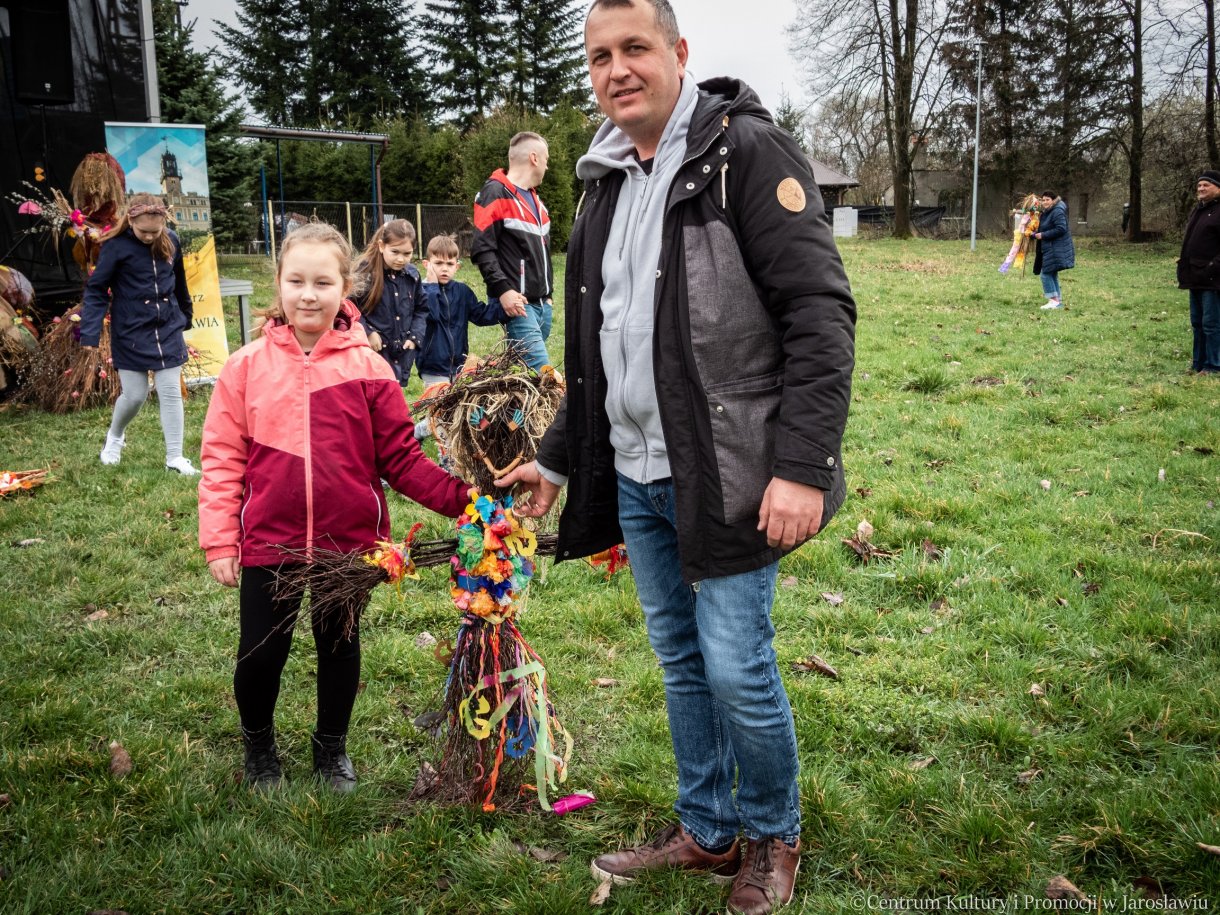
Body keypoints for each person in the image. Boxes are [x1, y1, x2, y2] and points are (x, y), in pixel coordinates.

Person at [495, 2, 856, 912]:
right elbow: (596, 346)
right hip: (634, 468)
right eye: (600, 55)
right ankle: (706, 828)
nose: (617, 69)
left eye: (635, 49)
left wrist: (803, 465)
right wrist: (558, 458)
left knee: (737, 661)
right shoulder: (603, 180)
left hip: (733, 470)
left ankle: (772, 834)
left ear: (679, 54)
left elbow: (820, 314)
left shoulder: (744, 154)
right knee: (681, 657)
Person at [199, 224, 470, 793]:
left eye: (323, 282)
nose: (308, 294)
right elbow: (222, 457)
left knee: (339, 648)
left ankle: (331, 751)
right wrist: (221, 539)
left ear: (344, 287)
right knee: (260, 654)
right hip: (269, 543)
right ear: (278, 283)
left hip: (348, 547)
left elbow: (402, 460)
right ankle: (259, 748)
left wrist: (465, 500)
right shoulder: (245, 368)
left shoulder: (370, 369)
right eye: (296, 280)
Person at [80, 193, 198, 474]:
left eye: (154, 231)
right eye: (143, 231)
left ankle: (174, 458)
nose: (149, 236)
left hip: (167, 325)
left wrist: (185, 316)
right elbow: (97, 289)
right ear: (130, 220)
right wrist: (89, 332)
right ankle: (115, 437)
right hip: (131, 328)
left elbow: (179, 281)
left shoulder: (171, 239)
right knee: (135, 395)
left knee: (170, 391)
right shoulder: (114, 246)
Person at [471, 131, 555, 372]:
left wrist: (548, 298)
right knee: (546, 377)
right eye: (546, 159)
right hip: (518, 305)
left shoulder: (537, 202)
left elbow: (543, 256)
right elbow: (481, 249)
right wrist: (504, 291)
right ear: (534, 158)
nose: (547, 166)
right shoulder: (494, 192)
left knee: (524, 377)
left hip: (542, 306)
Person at [416, 233, 524, 388]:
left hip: (459, 366)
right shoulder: (421, 291)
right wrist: (432, 287)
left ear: (457, 266)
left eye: (449, 264)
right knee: (437, 409)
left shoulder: (462, 291)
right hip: (433, 367)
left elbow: (481, 315)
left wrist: (507, 310)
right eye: (438, 263)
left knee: (455, 408)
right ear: (426, 264)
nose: (444, 268)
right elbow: (431, 314)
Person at [353, 219, 426, 385]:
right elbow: (348, 308)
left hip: (400, 356)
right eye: (395, 252)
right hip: (370, 356)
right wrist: (367, 332)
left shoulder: (412, 276)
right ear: (381, 246)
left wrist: (415, 337)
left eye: (407, 254)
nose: (401, 259)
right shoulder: (364, 273)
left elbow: (421, 309)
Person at [1177, 169, 1220, 374]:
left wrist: (1212, 267)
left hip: (1213, 279)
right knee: (1197, 323)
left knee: (1212, 323)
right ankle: (1198, 363)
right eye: (1199, 185)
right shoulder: (1199, 210)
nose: (1201, 188)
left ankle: (1213, 365)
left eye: (1206, 185)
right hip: (1194, 276)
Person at [1033, 190, 1075, 310]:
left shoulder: (1057, 211)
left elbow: (1061, 228)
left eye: (1048, 200)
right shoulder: (1049, 211)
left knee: (1045, 274)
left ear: (1053, 200)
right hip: (1051, 247)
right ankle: (1057, 301)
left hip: (1056, 247)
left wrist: (1043, 235)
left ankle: (1053, 301)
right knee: (1051, 273)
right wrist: (1035, 233)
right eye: (1043, 199)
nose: (1045, 202)